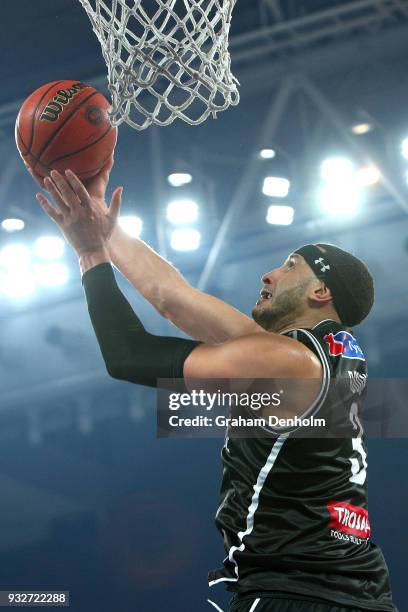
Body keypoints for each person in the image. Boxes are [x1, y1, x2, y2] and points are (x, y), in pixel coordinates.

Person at [34, 160, 397, 612]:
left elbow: (127, 356)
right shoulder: (318, 356)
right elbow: (172, 297)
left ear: (320, 292)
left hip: (299, 593)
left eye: (290, 265)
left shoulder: (285, 362)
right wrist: (100, 225)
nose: (270, 274)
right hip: (350, 593)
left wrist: (90, 254)